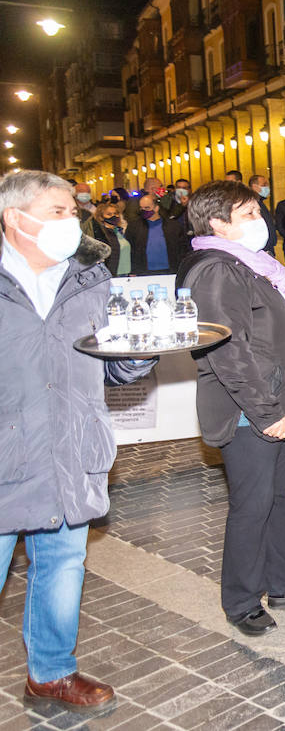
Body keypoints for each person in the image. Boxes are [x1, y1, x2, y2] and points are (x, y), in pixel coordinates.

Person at [0, 171, 156, 717]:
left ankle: (51, 673)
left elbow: (108, 365)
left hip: (72, 446)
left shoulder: (90, 278)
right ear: (15, 218)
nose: (73, 220)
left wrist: (136, 355)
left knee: (64, 565)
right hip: (6, 453)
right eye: (58, 211)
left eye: (73, 210)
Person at [177, 180, 285, 637]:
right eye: (248, 213)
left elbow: (272, 335)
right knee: (251, 506)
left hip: (274, 400)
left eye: (257, 211)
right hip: (250, 410)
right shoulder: (215, 270)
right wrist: (266, 413)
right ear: (217, 223)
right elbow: (227, 353)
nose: (259, 220)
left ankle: (284, 581)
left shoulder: (251, 266)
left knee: (274, 496)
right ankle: (241, 600)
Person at [127, 191, 189, 275]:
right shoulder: (134, 227)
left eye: (147, 208)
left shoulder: (173, 226)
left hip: (171, 271)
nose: (144, 211)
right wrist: (133, 271)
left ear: (156, 208)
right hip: (144, 272)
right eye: (141, 208)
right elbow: (131, 251)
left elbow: (182, 249)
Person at [92, 199, 131, 276]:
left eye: (115, 213)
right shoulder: (100, 234)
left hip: (126, 272)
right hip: (111, 273)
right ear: (101, 217)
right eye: (109, 214)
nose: (113, 216)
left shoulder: (120, 231)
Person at [247, 175, 279, 254]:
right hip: (261, 250)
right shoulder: (251, 204)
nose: (267, 187)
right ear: (254, 187)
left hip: (268, 248)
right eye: (264, 185)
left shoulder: (260, 203)